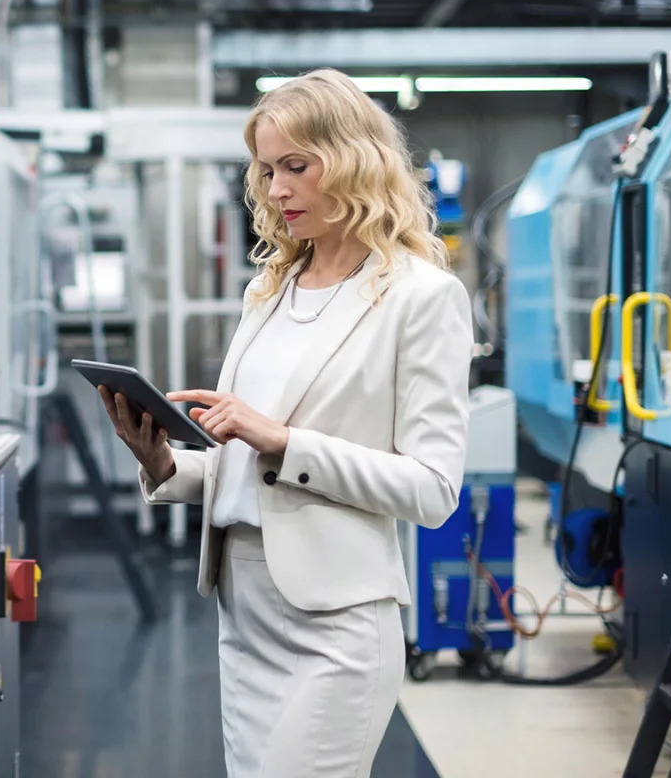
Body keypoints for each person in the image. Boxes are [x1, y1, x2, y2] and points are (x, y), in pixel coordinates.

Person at [97, 69, 471, 778]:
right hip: (244, 614)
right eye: (267, 171)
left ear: (355, 159)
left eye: (296, 167)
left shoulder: (422, 298)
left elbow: (431, 489)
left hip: (337, 624)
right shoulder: (269, 290)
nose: (275, 191)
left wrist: (284, 439)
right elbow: (252, 468)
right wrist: (169, 465)